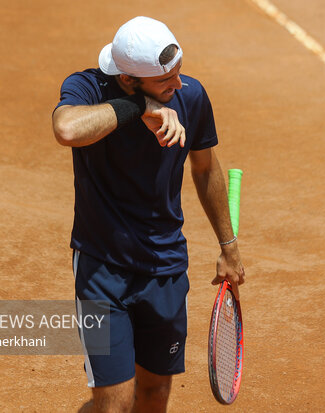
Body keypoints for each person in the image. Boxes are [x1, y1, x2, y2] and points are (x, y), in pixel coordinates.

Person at [52, 16, 245, 413]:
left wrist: (229, 246)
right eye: (164, 82)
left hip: (165, 267)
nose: (177, 86)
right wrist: (139, 106)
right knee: (115, 405)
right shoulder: (86, 87)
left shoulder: (190, 96)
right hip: (101, 268)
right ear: (128, 80)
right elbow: (67, 129)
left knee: (154, 397)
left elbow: (206, 167)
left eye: (178, 73)